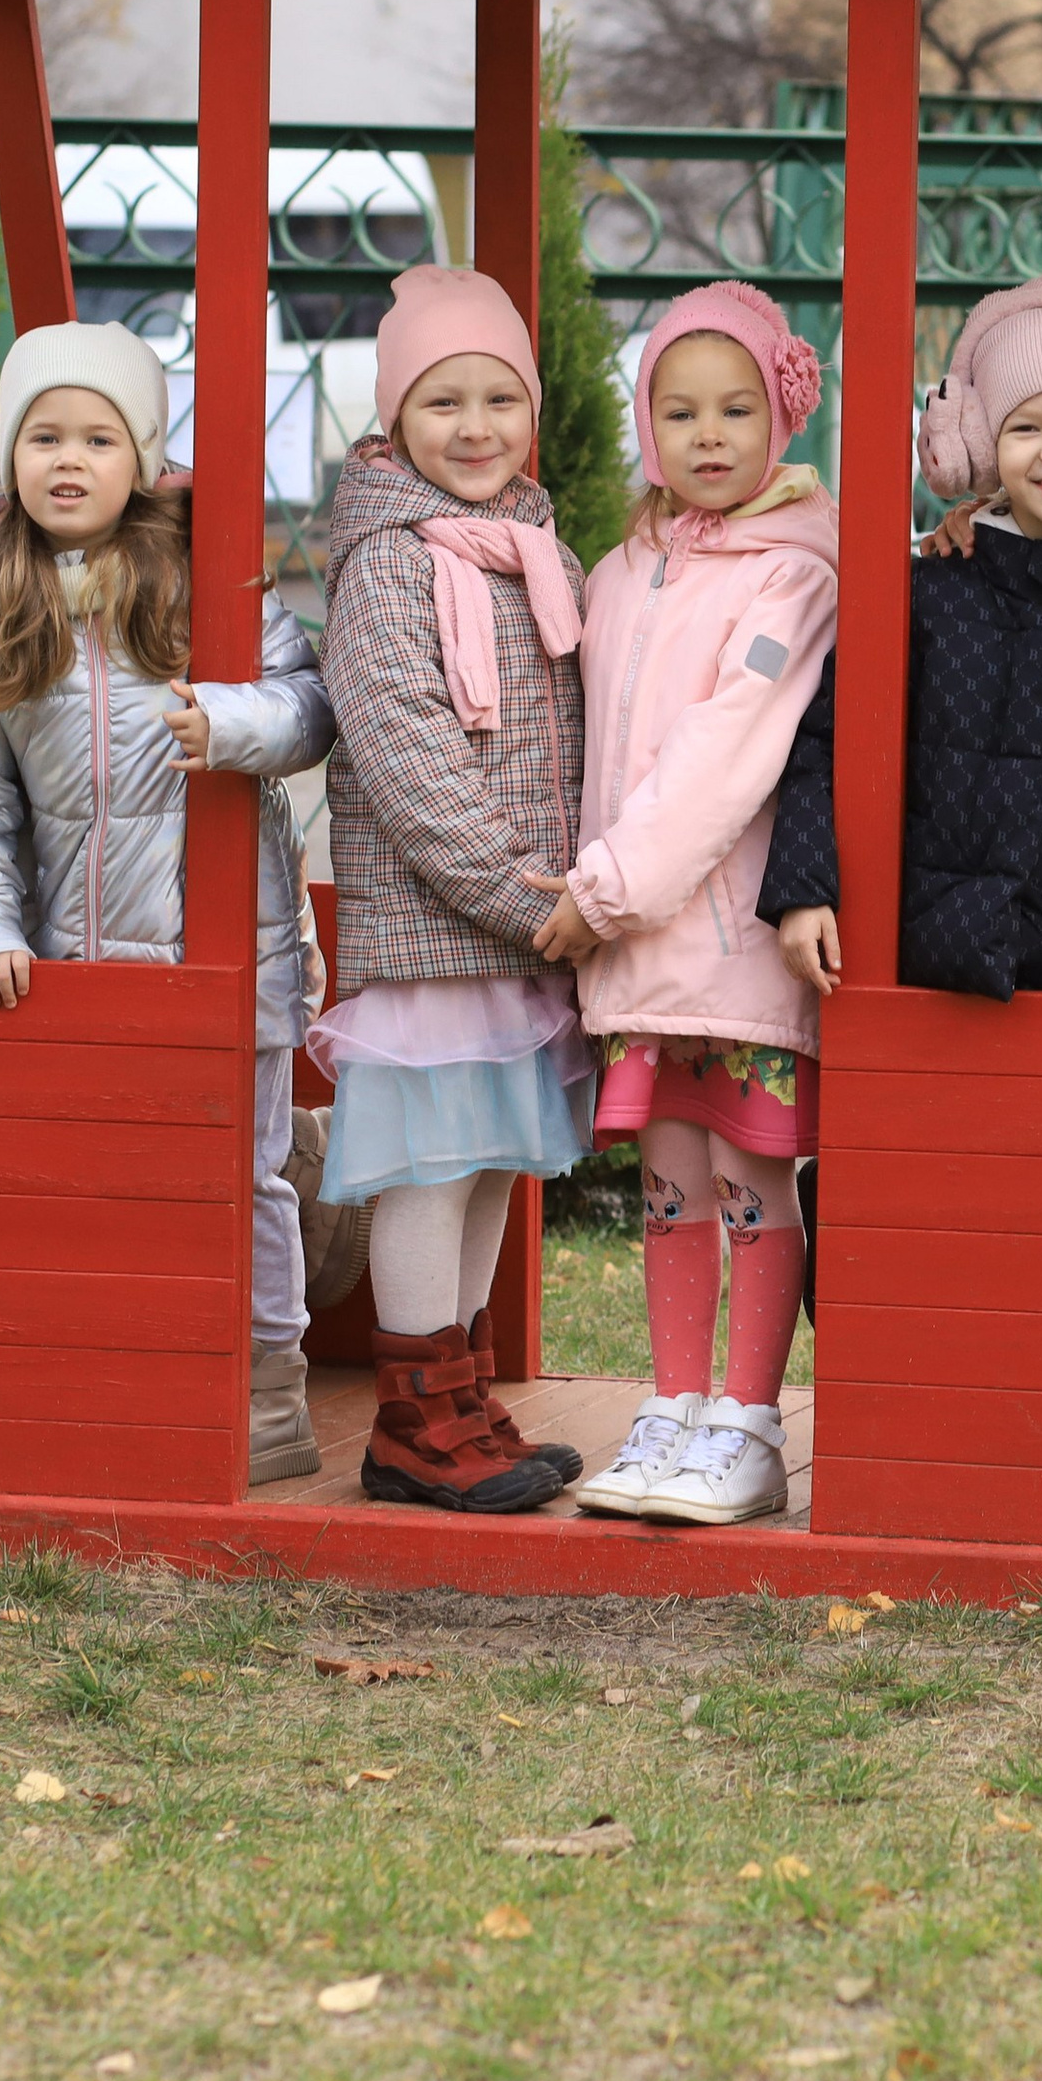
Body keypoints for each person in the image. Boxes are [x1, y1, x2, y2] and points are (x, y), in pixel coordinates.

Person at [0, 322, 335, 1483]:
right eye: (42, 436)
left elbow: (308, 703)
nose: (68, 459)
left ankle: (269, 1388)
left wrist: (232, 724)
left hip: (229, 947)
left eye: (97, 437)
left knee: (240, 1172)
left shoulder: (203, 570)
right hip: (80, 950)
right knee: (102, 1169)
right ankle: (120, 1368)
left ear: (145, 457)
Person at [550, 282, 840, 1527]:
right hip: (634, 946)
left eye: (734, 408)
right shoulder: (619, 571)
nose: (708, 434)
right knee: (665, 1177)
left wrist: (602, 891)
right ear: (646, 425)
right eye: (679, 410)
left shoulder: (792, 573)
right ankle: (671, 1408)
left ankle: (752, 1421)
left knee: (746, 1173)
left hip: (727, 940)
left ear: (777, 417)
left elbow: (732, 749)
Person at [310, 267, 592, 1515]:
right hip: (444, 928)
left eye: (499, 398)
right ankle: (411, 1419)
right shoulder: (386, 562)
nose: (475, 427)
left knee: (487, 1164)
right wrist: (520, 894)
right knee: (432, 1167)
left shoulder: (532, 546)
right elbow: (410, 758)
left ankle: (464, 1389)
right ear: (392, 422)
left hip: (521, 929)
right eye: (442, 401)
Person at [760, 274, 1042, 1004]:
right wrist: (803, 889)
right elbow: (827, 739)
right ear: (980, 444)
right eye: (1026, 428)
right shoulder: (928, 592)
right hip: (907, 961)